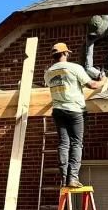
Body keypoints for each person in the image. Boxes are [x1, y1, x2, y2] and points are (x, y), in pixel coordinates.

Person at [44, 42, 104, 188]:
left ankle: (64, 179)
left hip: (58, 111)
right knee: (77, 143)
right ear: (65, 53)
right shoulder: (74, 68)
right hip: (75, 110)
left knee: (64, 144)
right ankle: (73, 178)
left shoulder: (48, 72)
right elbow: (92, 85)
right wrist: (103, 79)